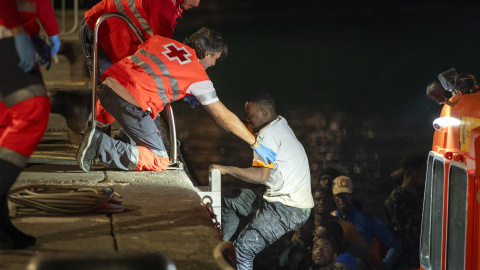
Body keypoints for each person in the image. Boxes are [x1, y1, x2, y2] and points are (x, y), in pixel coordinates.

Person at [76, 28, 277, 172]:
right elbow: (224, 117)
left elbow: (152, 72)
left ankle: (121, 140)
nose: (214, 64)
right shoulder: (199, 76)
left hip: (107, 89)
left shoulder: (160, 40)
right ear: (207, 53)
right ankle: (100, 144)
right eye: (215, 58)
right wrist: (255, 143)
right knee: (160, 159)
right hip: (131, 102)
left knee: (148, 122)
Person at [210, 91, 313, 270]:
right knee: (228, 201)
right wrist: (209, 107)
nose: (248, 121)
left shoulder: (268, 133)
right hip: (275, 198)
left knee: (242, 252)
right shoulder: (278, 122)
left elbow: (260, 176)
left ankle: (231, 253)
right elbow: (231, 125)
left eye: (250, 116)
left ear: (264, 112)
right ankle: (221, 245)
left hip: (288, 208)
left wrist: (226, 169)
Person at [0, 0, 55, 249]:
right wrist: (17, 30)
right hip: (6, 29)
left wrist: (34, 32)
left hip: (12, 29)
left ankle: (2, 226)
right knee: (31, 109)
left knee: (4, 122)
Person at [80, 0, 199, 84]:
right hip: (101, 31)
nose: (196, 4)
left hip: (116, 37)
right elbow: (163, 44)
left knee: (112, 93)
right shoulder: (163, 2)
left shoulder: (173, 4)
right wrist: (184, 75)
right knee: (105, 90)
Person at [332, 176, 402, 269]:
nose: (342, 198)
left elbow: (395, 245)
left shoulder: (367, 219)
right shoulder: (330, 220)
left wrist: (384, 265)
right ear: (333, 197)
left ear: (353, 195)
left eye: (346, 194)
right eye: (339, 195)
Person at [384, 153, 426, 270]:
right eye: (423, 172)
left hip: (418, 258)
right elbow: (398, 235)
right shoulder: (396, 199)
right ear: (415, 174)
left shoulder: (417, 194)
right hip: (404, 261)